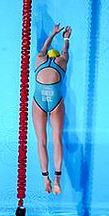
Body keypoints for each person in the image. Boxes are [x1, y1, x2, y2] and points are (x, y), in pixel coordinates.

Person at [32, 25, 70, 195]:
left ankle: (45, 177)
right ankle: (57, 180)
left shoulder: (39, 59)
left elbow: (43, 48)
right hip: (55, 101)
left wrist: (53, 33)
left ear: (48, 56)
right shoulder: (62, 62)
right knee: (57, 140)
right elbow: (66, 51)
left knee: (41, 140)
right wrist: (66, 38)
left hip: (39, 101)